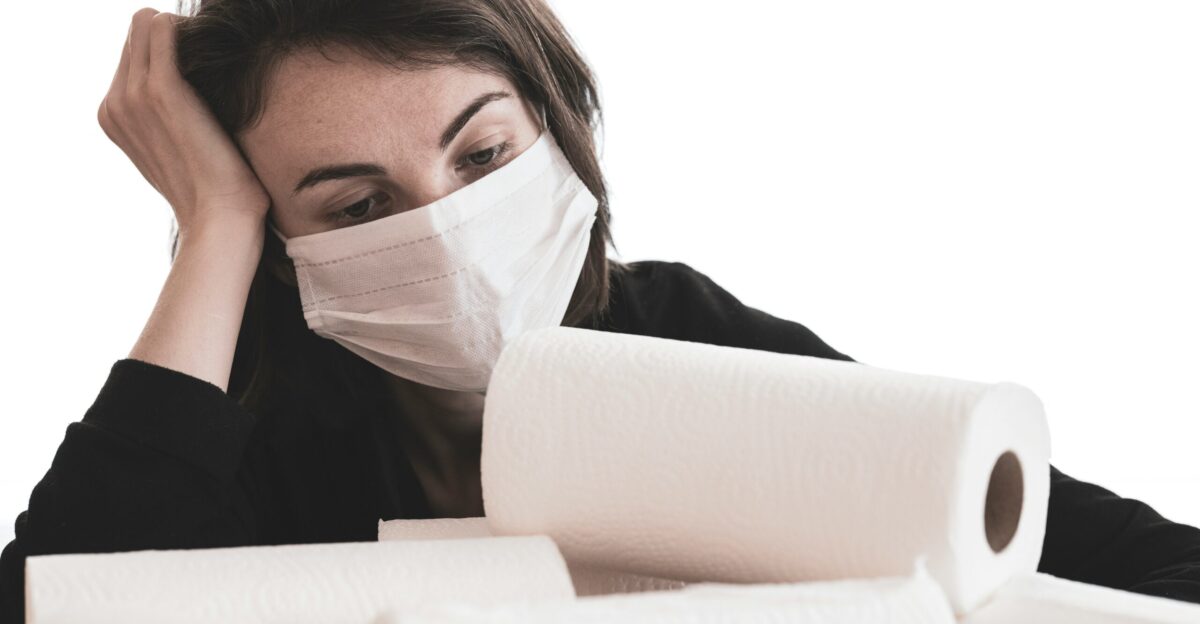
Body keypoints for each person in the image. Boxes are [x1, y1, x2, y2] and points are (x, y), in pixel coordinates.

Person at [3, 0, 1199, 620]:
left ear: (558, 137)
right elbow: (58, 605)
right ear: (282, 249)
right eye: (358, 201)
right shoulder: (248, 436)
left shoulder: (681, 338)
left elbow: (1121, 560)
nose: (446, 233)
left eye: (481, 158)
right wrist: (212, 226)